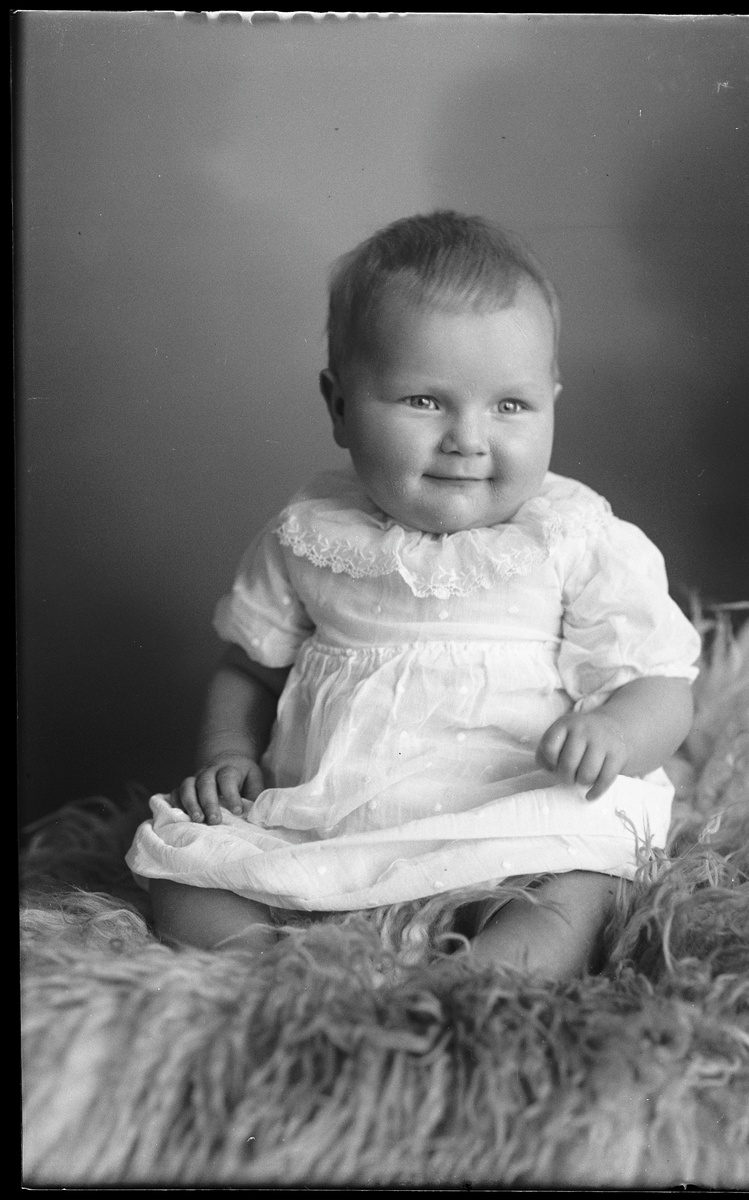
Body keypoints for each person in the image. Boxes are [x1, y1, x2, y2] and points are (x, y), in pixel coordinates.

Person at [127, 211, 701, 978]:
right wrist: (227, 753)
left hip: (511, 821)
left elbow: (660, 684)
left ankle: (477, 980)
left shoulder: (573, 538)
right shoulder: (307, 534)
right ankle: (285, 974)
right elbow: (248, 668)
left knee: (582, 880)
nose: (468, 437)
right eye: (425, 401)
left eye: (510, 405)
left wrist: (616, 733)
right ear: (338, 404)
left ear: (552, 399)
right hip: (326, 823)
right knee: (181, 870)